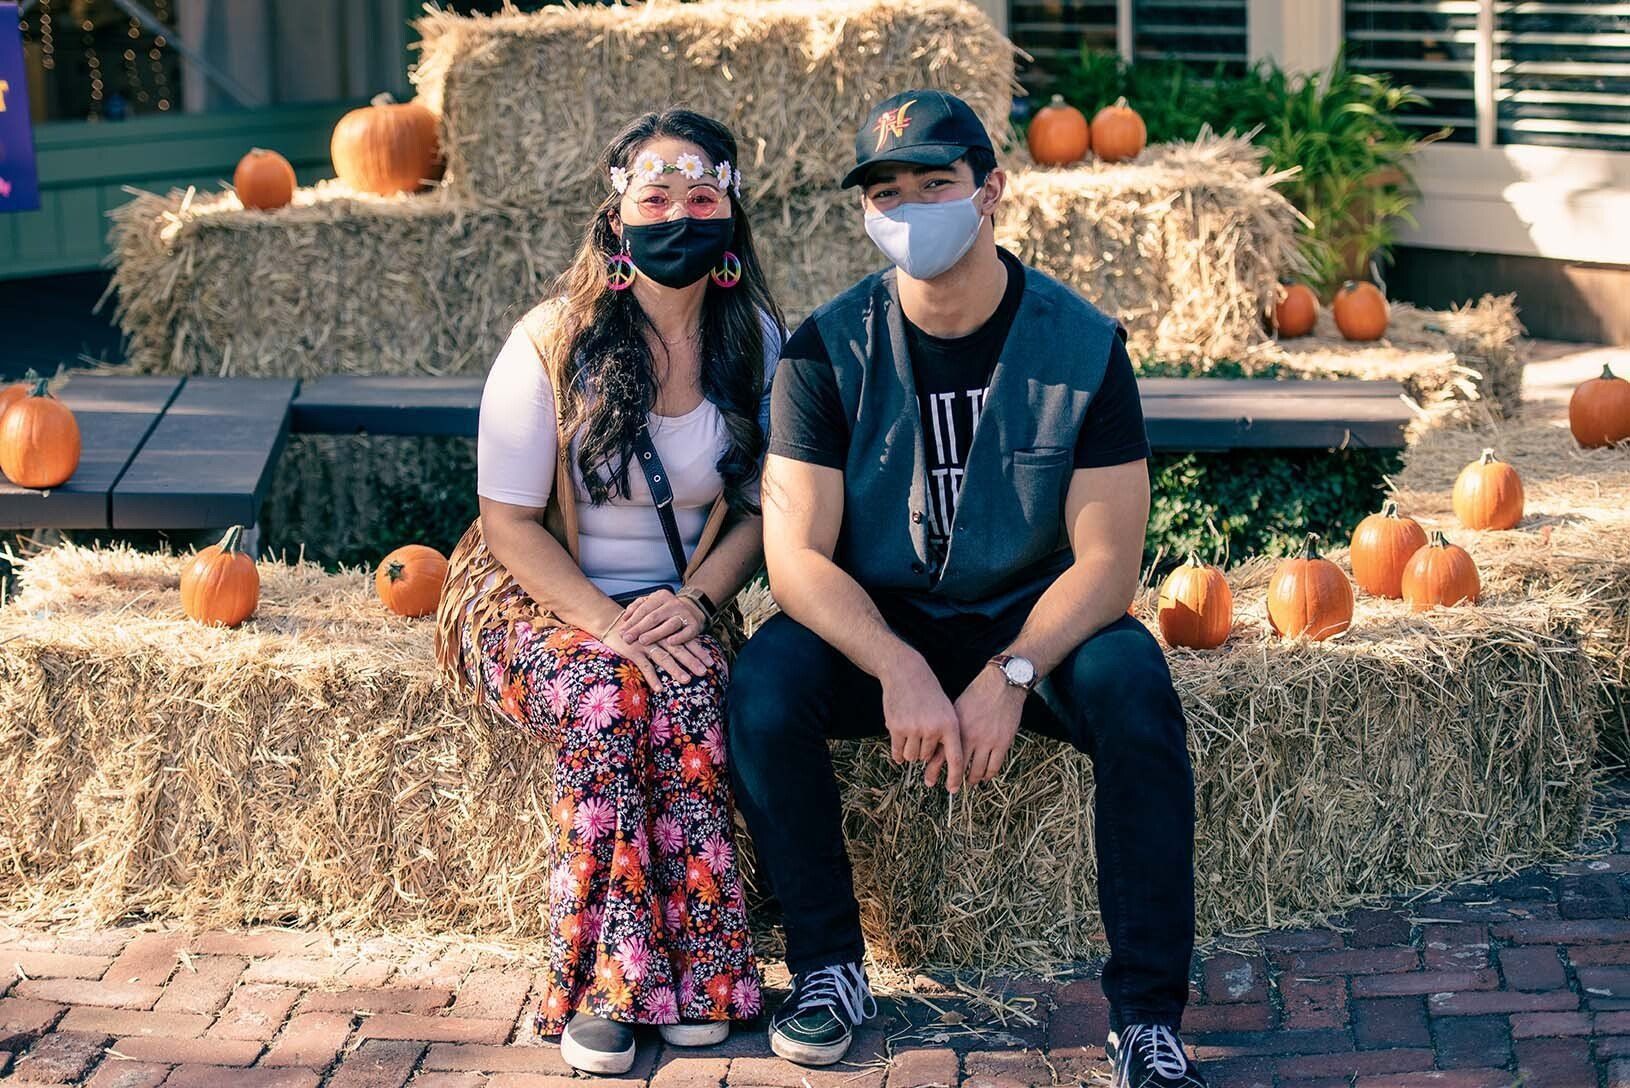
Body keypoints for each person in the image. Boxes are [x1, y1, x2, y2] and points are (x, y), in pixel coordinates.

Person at [727, 89, 1209, 1088]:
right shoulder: (823, 350)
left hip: (1033, 613)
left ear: (991, 191)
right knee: (766, 687)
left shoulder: (1079, 345)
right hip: (886, 611)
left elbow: (1107, 563)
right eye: (885, 191)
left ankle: (1147, 1019)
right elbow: (796, 556)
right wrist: (896, 663)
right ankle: (826, 966)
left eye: (934, 184)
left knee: (1135, 691)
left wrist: (1015, 667)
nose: (908, 208)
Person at [434, 108, 781, 1077]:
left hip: (679, 603)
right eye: (656, 197)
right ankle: (607, 984)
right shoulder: (550, 342)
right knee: (607, 697)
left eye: (701, 196)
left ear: (730, 214)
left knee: (689, 696)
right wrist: (611, 625)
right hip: (532, 597)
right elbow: (507, 525)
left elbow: (762, 509)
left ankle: (705, 976)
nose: (680, 213)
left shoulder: (754, 340)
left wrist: (700, 600)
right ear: (618, 217)